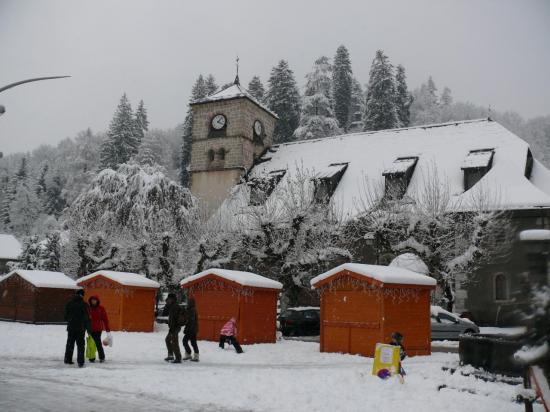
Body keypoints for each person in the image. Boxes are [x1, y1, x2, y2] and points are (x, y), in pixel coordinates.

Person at [64, 289, 91, 367]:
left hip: (71, 327)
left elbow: (65, 317)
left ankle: (67, 359)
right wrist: (88, 328)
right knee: (80, 345)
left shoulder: (69, 303)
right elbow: (87, 318)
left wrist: (71, 320)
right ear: (83, 295)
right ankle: (80, 362)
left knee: (70, 344)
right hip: (81, 328)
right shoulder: (85, 304)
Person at [87, 295, 110, 363]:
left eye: (95, 300)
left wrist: (107, 329)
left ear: (97, 301)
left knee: (98, 343)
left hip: (98, 329)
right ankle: (91, 357)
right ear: (90, 301)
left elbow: (105, 319)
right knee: (91, 343)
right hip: (90, 329)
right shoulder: (88, 308)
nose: (93, 301)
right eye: (92, 300)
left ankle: (102, 357)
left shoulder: (101, 308)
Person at [164, 293, 183, 363]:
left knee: (174, 342)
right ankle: (171, 355)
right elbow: (164, 312)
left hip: (175, 327)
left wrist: (174, 326)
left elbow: (176, 318)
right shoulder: (171, 306)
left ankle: (178, 358)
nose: (168, 300)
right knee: (168, 340)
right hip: (172, 327)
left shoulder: (175, 306)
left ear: (172, 299)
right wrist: (167, 304)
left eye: (169, 299)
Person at [182, 297, 199, 362]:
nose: (188, 303)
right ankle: (196, 356)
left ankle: (189, 353)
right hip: (193, 329)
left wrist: (187, 329)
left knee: (184, 341)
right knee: (193, 342)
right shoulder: (191, 309)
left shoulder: (191, 310)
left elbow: (191, 321)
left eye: (189, 302)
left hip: (191, 329)